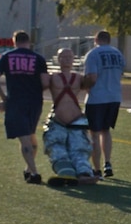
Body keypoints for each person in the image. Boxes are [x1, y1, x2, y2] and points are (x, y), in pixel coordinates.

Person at [0, 31, 47, 184]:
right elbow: (45, 83)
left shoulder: (7, 57)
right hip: (35, 102)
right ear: (29, 42)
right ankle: (28, 170)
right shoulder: (38, 58)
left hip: (16, 101)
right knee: (31, 136)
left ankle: (34, 173)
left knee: (25, 138)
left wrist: (4, 98)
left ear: (14, 42)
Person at [41, 49, 98, 184]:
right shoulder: (51, 77)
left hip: (77, 120)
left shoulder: (80, 78)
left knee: (80, 150)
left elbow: (94, 81)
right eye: (63, 57)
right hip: (57, 121)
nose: (66, 59)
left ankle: (84, 174)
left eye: (69, 57)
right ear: (58, 59)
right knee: (55, 147)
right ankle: (66, 172)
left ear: (74, 60)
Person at [81, 29, 126, 178]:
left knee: (94, 133)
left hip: (97, 97)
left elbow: (92, 77)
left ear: (96, 39)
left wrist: (83, 86)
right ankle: (107, 163)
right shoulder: (118, 54)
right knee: (105, 131)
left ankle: (97, 168)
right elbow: (120, 73)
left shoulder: (93, 54)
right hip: (114, 96)